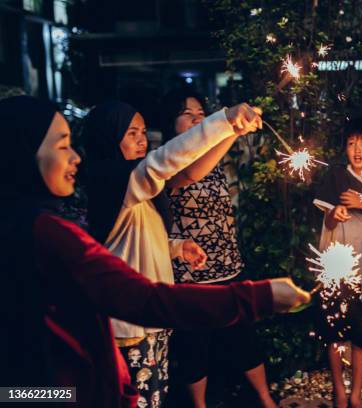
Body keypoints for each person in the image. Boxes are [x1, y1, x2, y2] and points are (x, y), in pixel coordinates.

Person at [0, 95, 310, 407]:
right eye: (61, 144)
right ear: (22, 151)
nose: (75, 158)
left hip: (47, 384)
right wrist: (260, 297)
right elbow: (140, 297)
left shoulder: (41, 216)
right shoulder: (74, 208)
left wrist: (175, 247)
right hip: (106, 347)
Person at [81, 100, 260, 406]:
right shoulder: (112, 181)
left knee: (154, 397)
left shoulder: (131, 187)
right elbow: (163, 164)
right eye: (131, 133)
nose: (141, 139)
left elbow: (133, 237)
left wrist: (176, 247)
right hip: (129, 325)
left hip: (152, 320)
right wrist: (225, 120)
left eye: (142, 131)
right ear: (107, 137)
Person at [160, 89, 276, 408]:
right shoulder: (165, 161)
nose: (197, 117)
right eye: (188, 113)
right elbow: (189, 172)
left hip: (228, 266)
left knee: (243, 338)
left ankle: (266, 399)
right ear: (171, 123)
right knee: (194, 346)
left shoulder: (213, 161)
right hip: (191, 272)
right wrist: (228, 124)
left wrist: (234, 129)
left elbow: (211, 155)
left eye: (201, 112)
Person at [313, 120, 362, 408]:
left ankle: (356, 393)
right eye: (351, 143)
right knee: (334, 331)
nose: (357, 150)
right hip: (335, 265)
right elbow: (326, 219)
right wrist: (336, 213)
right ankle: (339, 391)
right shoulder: (335, 177)